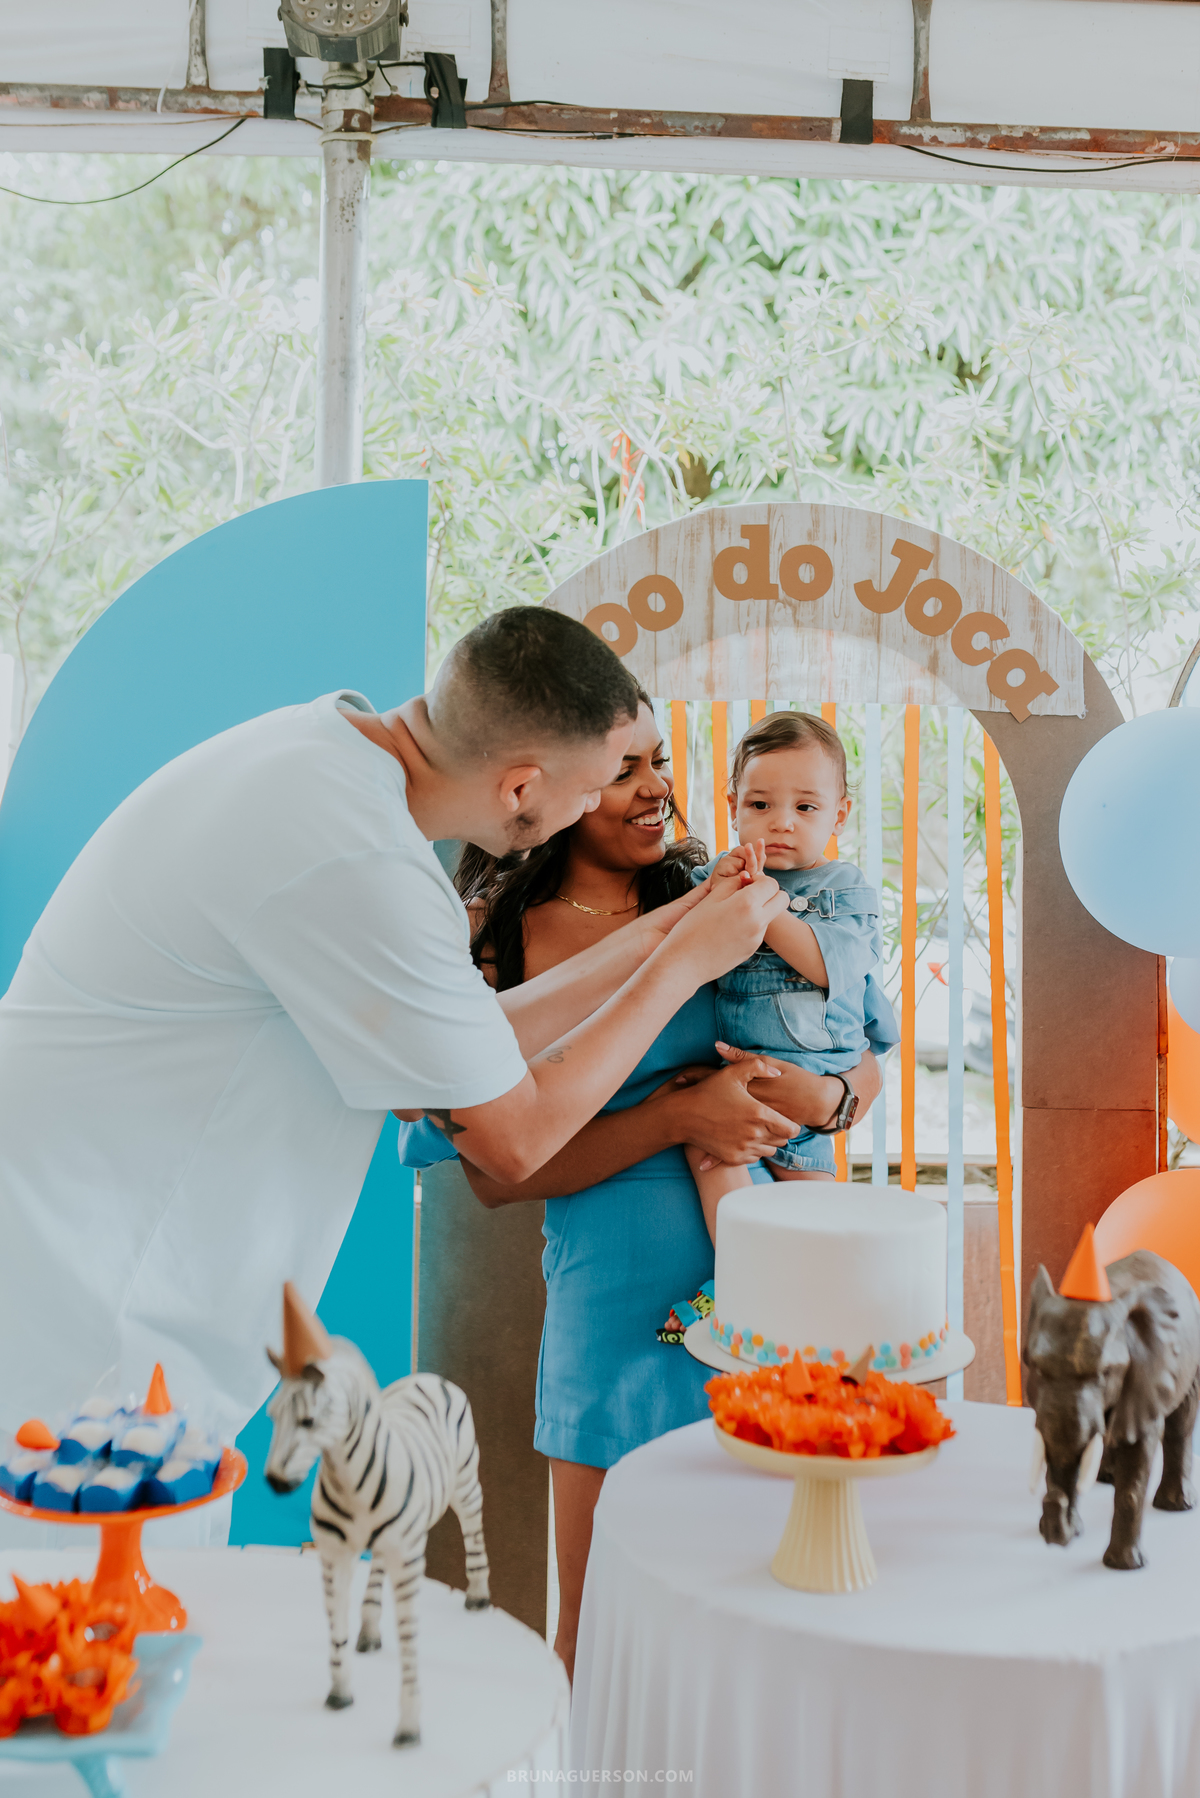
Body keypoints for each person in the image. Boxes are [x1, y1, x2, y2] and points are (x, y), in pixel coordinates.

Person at [0, 608, 790, 1450]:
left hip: (107, 1282)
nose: (597, 803)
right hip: (95, 1320)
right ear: (522, 787)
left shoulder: (324, 765)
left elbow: (469, 1036)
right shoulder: (359, 861)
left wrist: (669, 929)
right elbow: (510, 1137)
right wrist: (683, 967)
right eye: (592, 784)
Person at [399, 691, 889, 1678]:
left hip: (768, 1309)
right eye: (624, 768)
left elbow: (861, 1039)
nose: (658, 785)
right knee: (598, 1631)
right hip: (615, 1315)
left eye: (659, 761)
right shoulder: (496, 937)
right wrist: (677, 1118)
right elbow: (491, 1178)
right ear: (542, 786)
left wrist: (830, 1099)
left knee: (769, 1623)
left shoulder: (722, 887)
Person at [683, 709, 894, 1241]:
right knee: (707, 1148)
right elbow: (678, 940)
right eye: (760, 805)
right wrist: (715, 890)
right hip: (740, 1079)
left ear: (839, 815)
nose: (782, 822)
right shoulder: (720, 876)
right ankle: (739, 1269)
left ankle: (818, 1287)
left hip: (815, 1068)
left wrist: (762, 902)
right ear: (733, 809)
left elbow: (827, 964)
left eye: (805, 807)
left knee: (815, 1223)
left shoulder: (844, 889)